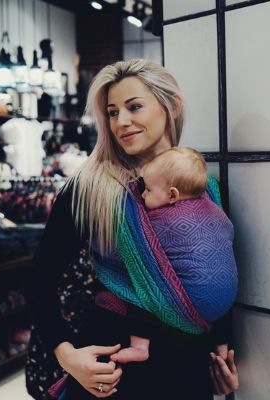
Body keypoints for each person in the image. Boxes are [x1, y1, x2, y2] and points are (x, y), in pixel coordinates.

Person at [27, 59, 239, 399]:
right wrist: (68, 357)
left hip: (186, 371)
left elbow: (217, 272)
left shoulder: (205, 187)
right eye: (112, 112)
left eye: (134, 106)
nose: (121, 121)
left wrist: (221, 352)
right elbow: (39, 280)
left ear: (171, 105)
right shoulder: (89, 188)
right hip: (111, 374)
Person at [112, 146, 238, 364]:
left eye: (148, 190)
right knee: (215, 291)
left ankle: (139, 346)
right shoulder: (215, 209)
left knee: (143, 286)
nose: (142, 195)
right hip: (226, 298)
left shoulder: (158, 221)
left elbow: (135, 251)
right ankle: (222, 348)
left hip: (193, 299)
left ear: (173, 195)